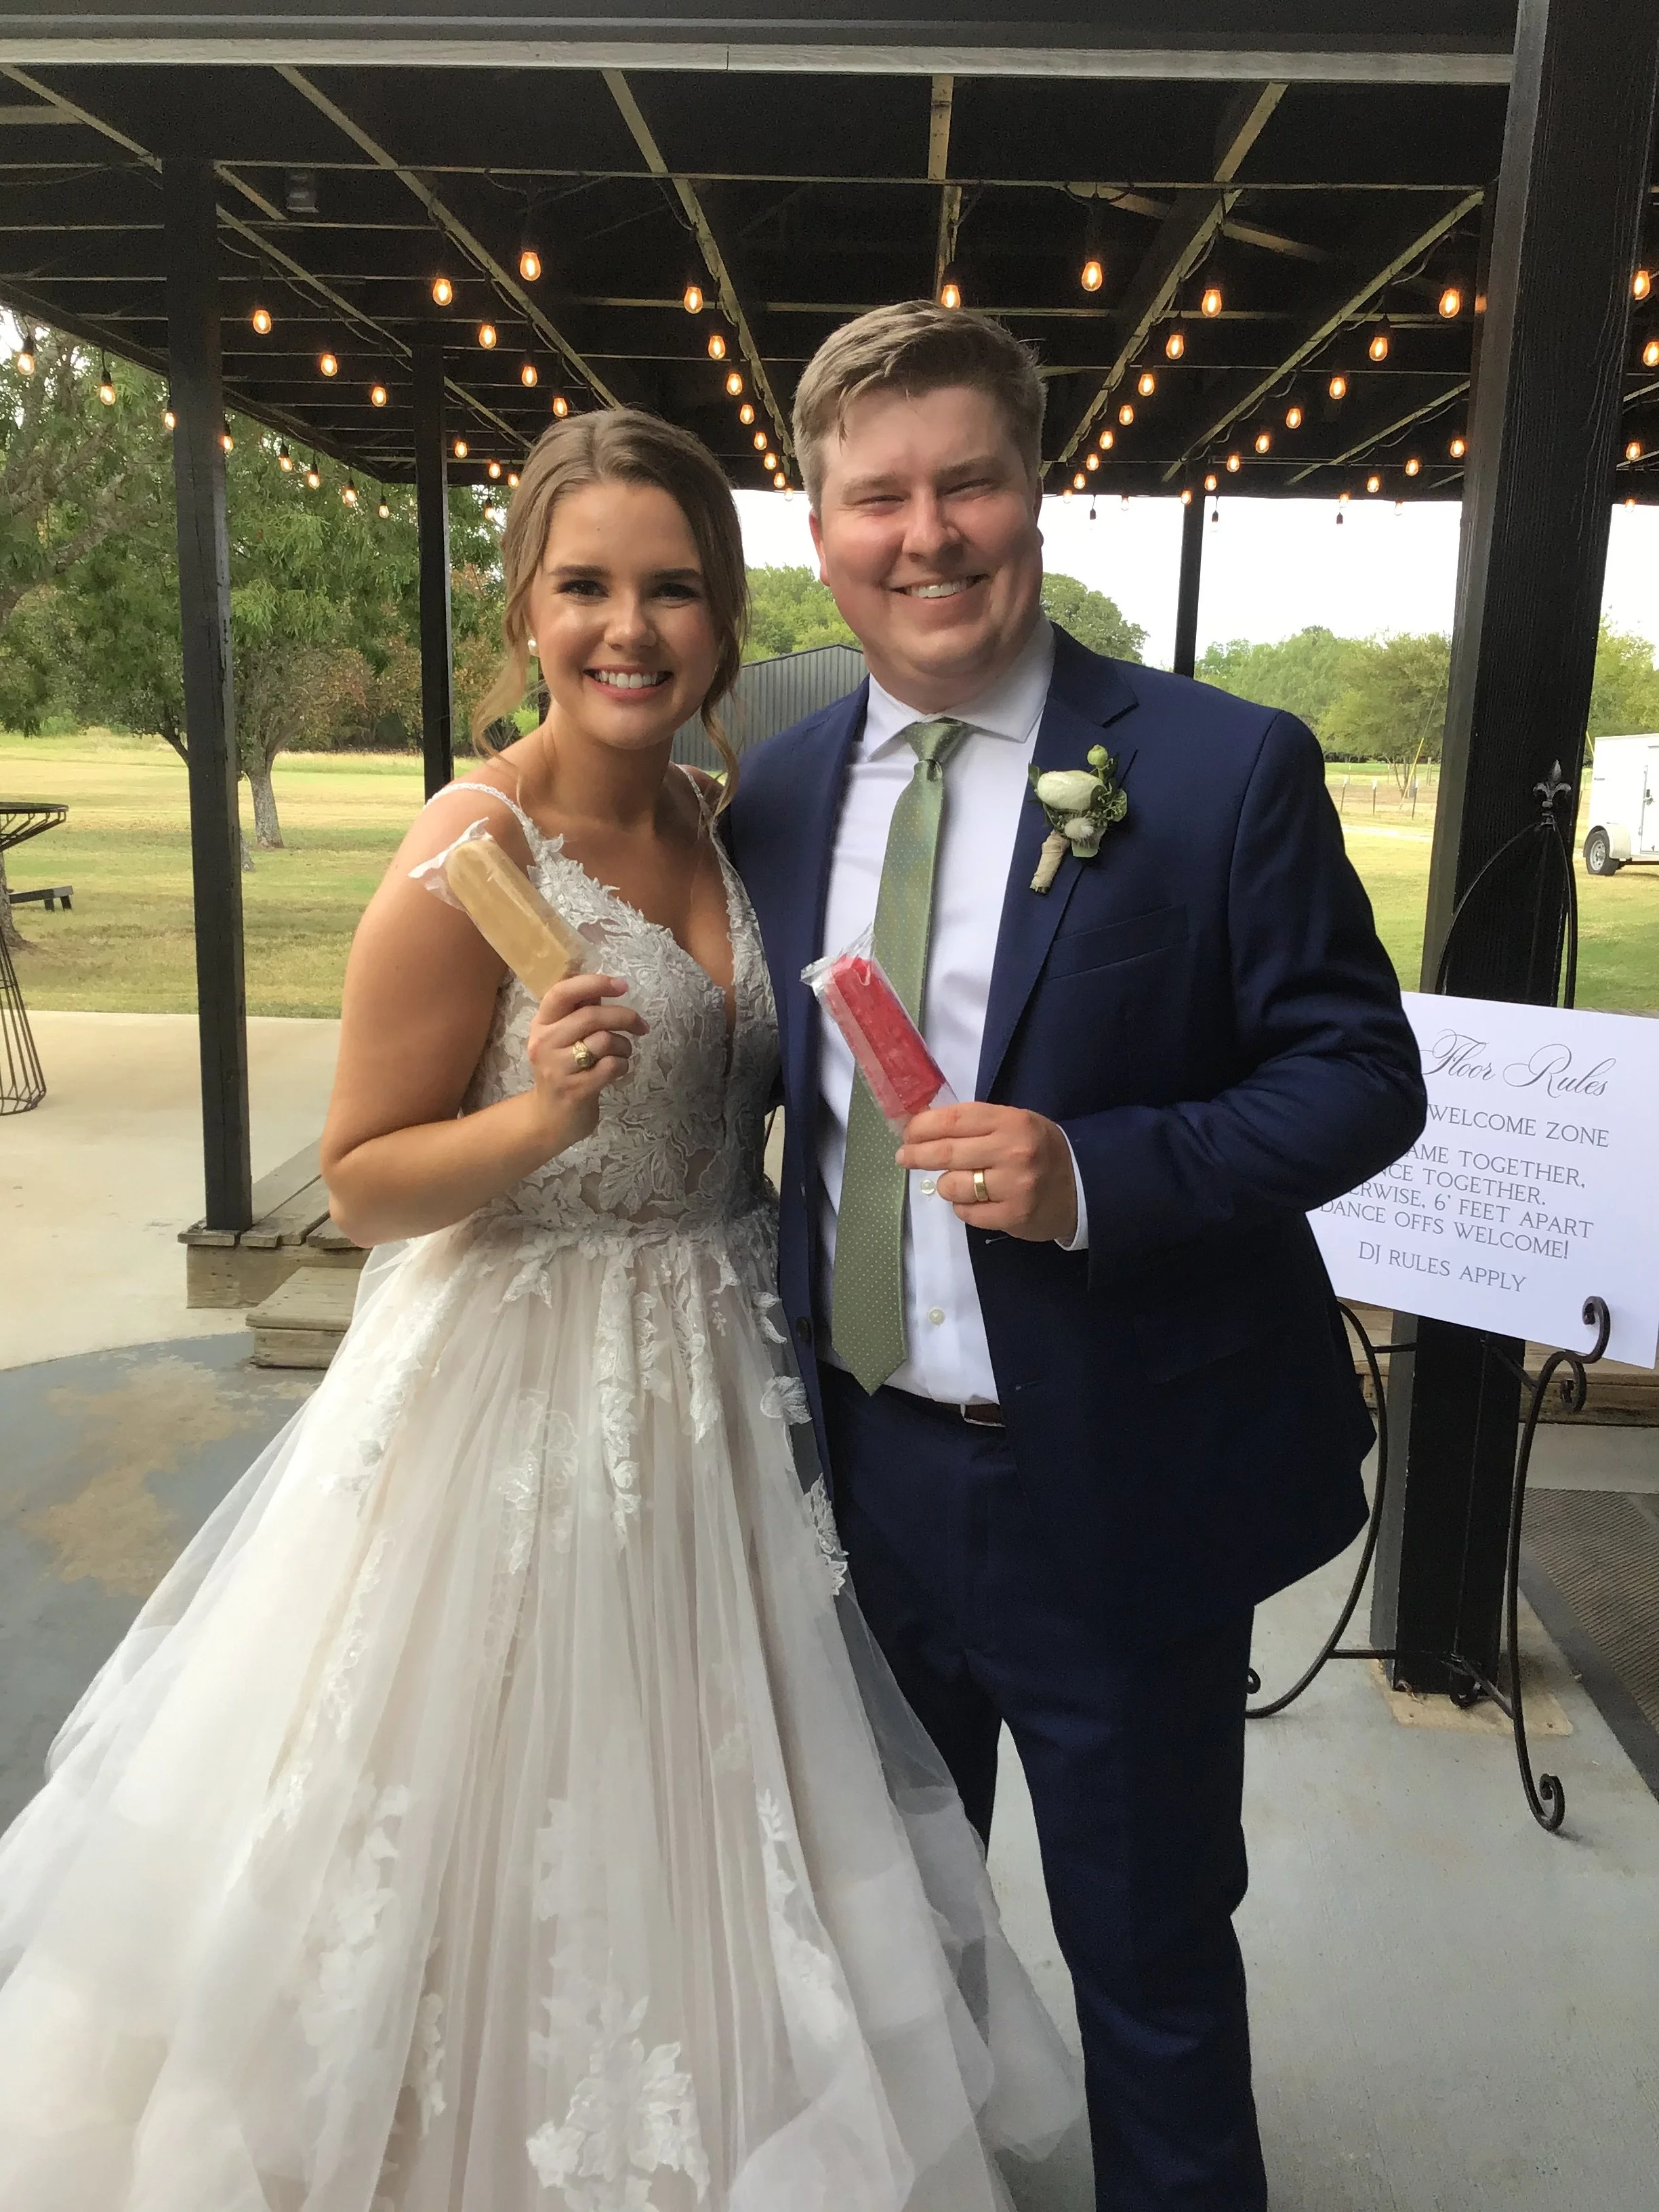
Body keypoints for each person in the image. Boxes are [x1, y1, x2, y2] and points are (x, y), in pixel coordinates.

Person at [0, 409, 1082, 2210]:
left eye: (671, 590)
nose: (629, 629)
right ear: (522, 612)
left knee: (710, 1783)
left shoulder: (725, 826)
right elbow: (360, 1177)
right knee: (481, 1784)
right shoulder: (463, 845)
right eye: (586, 586)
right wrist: (536, 1115)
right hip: (514, 1378)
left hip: (726, 1374)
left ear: (726, 624)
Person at [723, 301, 1429, 2211]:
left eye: (970, 480)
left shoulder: (1219, 770)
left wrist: (1093, 1173)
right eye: (880, 495)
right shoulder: (778, 795)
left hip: (1116, 1482)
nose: (928, 532)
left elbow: (1363, 1081)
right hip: (858, 1477)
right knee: (900, 1929)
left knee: (1151, 1957)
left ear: (1039, 492)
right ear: (820, 530)